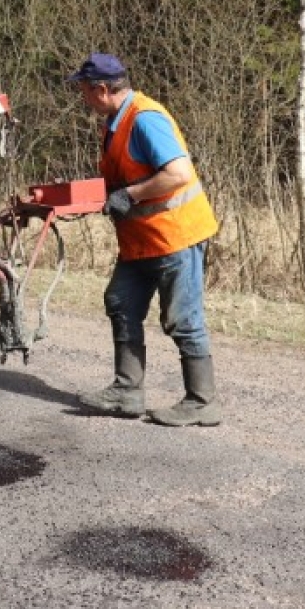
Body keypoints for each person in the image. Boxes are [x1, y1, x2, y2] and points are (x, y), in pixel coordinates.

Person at [67, 52, 222, 426]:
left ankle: (202, 402)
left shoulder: (145, 119)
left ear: (103, 89)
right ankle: (127, 391)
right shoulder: (114, 122)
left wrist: (129, 196)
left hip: (174, 237)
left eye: (85, 91)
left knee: (182, 320)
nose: (82, 98)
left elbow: (178, 174)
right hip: (140, 239)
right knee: (120, 301)